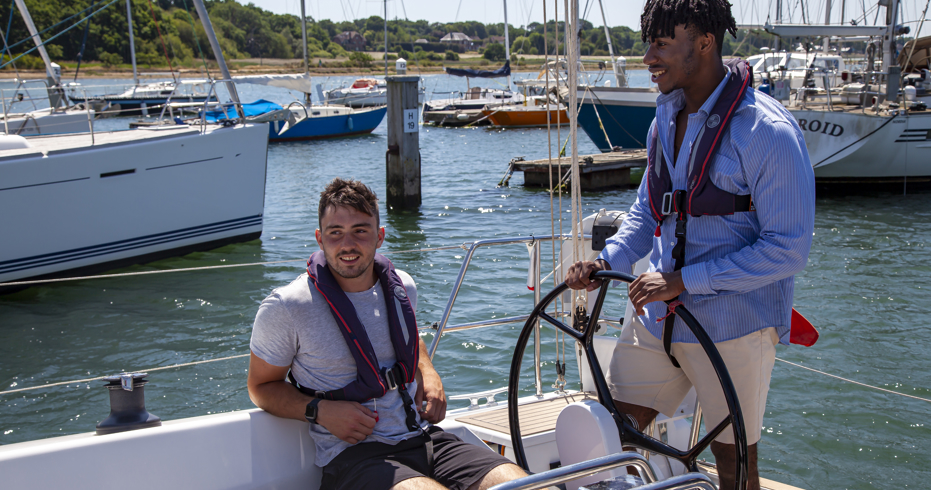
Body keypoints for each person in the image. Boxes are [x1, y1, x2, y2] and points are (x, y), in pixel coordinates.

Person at [565, 0, 815, 488]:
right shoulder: (664, 121)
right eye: (648, 43)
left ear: (704, 42)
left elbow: (789, 249)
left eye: (661, 43)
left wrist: (684, 280)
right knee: (612, 429)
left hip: (732, 326)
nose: (648, 57)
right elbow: (647, 213)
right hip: (655, 317)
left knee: (733, 461)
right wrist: (604, 261)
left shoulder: (769, 132)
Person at [248, 178, 526, 490]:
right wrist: (319, 410)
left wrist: (428, 371)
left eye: (360, 231)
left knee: (526, 485)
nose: (347, 244)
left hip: (424, 439)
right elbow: (260, 387)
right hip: (355, 458)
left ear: (380, 236)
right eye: (335, 233)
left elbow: (408, 339)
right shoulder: (287, 307)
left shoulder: (401, 288)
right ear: (320, 238)